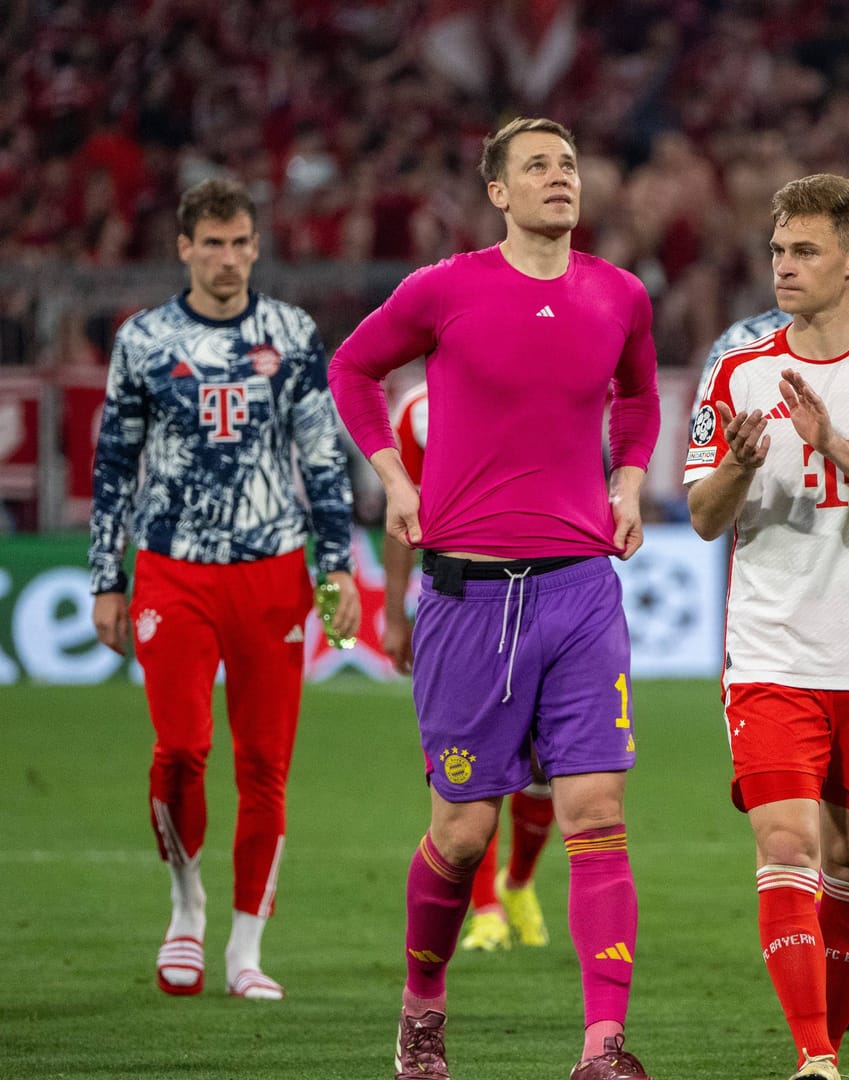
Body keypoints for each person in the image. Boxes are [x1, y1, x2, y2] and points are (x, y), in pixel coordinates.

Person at [329, 117, 662, 1080]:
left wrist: (630, 482)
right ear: (500, 193)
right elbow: (352, 367)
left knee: (594, 808)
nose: (560, 177)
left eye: (569, 163)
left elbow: (636, 399)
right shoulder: (444, 289)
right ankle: (422, 1009)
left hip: (581, 589)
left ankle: (603, 1049)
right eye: (538, 167)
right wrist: (394, 479)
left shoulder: (620, 295)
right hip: (468, 598)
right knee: (463, 831)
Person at [684, 172, 849, 1080]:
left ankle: (829, 1038)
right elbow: (704, 515)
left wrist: (834, 441)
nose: (784, 267)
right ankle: (813, 1060)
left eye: (804, 252)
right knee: (788, 842)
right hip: (770, 652)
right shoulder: (737, 371)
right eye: (776, 251)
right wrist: (736, 464)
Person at [88, 177, 357, 1003]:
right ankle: (185, 905)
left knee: (265, 765)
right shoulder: (145, 340)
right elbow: (112, 464)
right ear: (184, 248)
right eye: (214, 244)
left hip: (273, 571)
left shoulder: (291, 333)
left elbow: (321, 453)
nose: (231, 259)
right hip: (173, 566)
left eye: (242, 242)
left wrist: (336, 562)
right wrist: (108, 579)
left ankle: (246, 945)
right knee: (180, 751)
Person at [383, 383, 557, 955]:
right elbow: (403, 511)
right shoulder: (417, 408)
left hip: (549, 594)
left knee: (545, 766)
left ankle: (518, 884)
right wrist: (393, 611)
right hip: (462, 606)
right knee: (472, 767)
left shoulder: (546, 379)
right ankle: (484, 909)